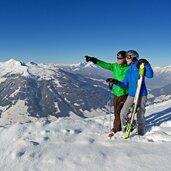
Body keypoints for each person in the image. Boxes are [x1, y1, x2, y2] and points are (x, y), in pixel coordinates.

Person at [107, 50, 153, 136]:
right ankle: (126, 128)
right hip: (131, 95)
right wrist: (115, 81)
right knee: (123, 113)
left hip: (141, 94)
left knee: (140, 114)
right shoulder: (129, 71)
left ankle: (141, 133)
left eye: (128, 57)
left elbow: (150, 75)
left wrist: (147, 64)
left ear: (133, 57)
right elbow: (124, 84)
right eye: (126, 57)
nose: (126, 59)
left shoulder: (140, 67)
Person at [85, 51, 130, 134]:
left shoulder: (129, 68)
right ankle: (122, 126)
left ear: (125, 59)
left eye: (120, 58)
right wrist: (93, 60)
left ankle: (117, 129)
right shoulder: (115, 66)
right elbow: (105, 65)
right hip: (116, 92)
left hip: (124, 92)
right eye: (117, 58)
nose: (118, 59)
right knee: (117, 111)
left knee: (118, 112)